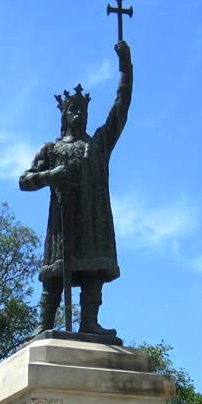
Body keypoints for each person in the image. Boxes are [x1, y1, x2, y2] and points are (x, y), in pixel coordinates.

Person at [19, 40, 133, 338]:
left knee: (94, 270)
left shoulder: (98, 144)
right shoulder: (51, 148)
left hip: (93, 220)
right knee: (55, 273)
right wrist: (51, 175)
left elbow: (120, 108)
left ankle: (89, 322)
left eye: (82, 110)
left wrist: (126, 67)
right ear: (64, 115)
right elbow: (24, 180)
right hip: (62, 223)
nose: (78, 114)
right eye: (73, 110)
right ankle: (44, 324)